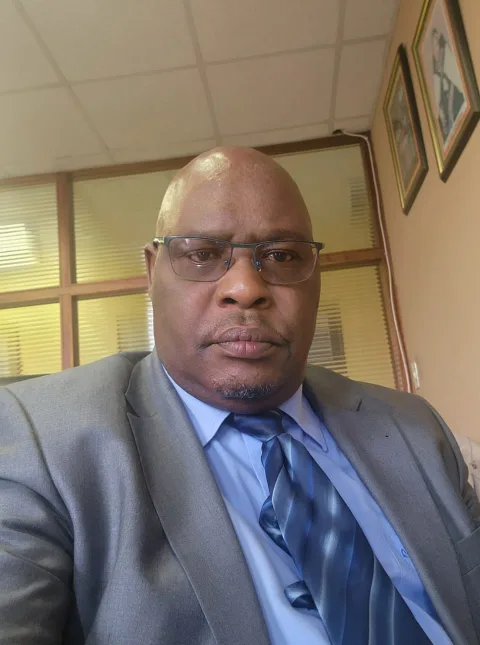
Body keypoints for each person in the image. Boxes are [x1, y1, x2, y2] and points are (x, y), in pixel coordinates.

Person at [0, 147, 479, 645]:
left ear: (316, 275)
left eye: (282, 255)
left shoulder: (414, 426)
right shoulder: (42, 445)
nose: (246, 288)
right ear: (152, 271)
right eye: (203, 255)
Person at [431, 27, 466, 144]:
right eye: (433, 47)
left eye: (437, 45)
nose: (435, 51)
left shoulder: (448, 62)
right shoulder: (436, 76)